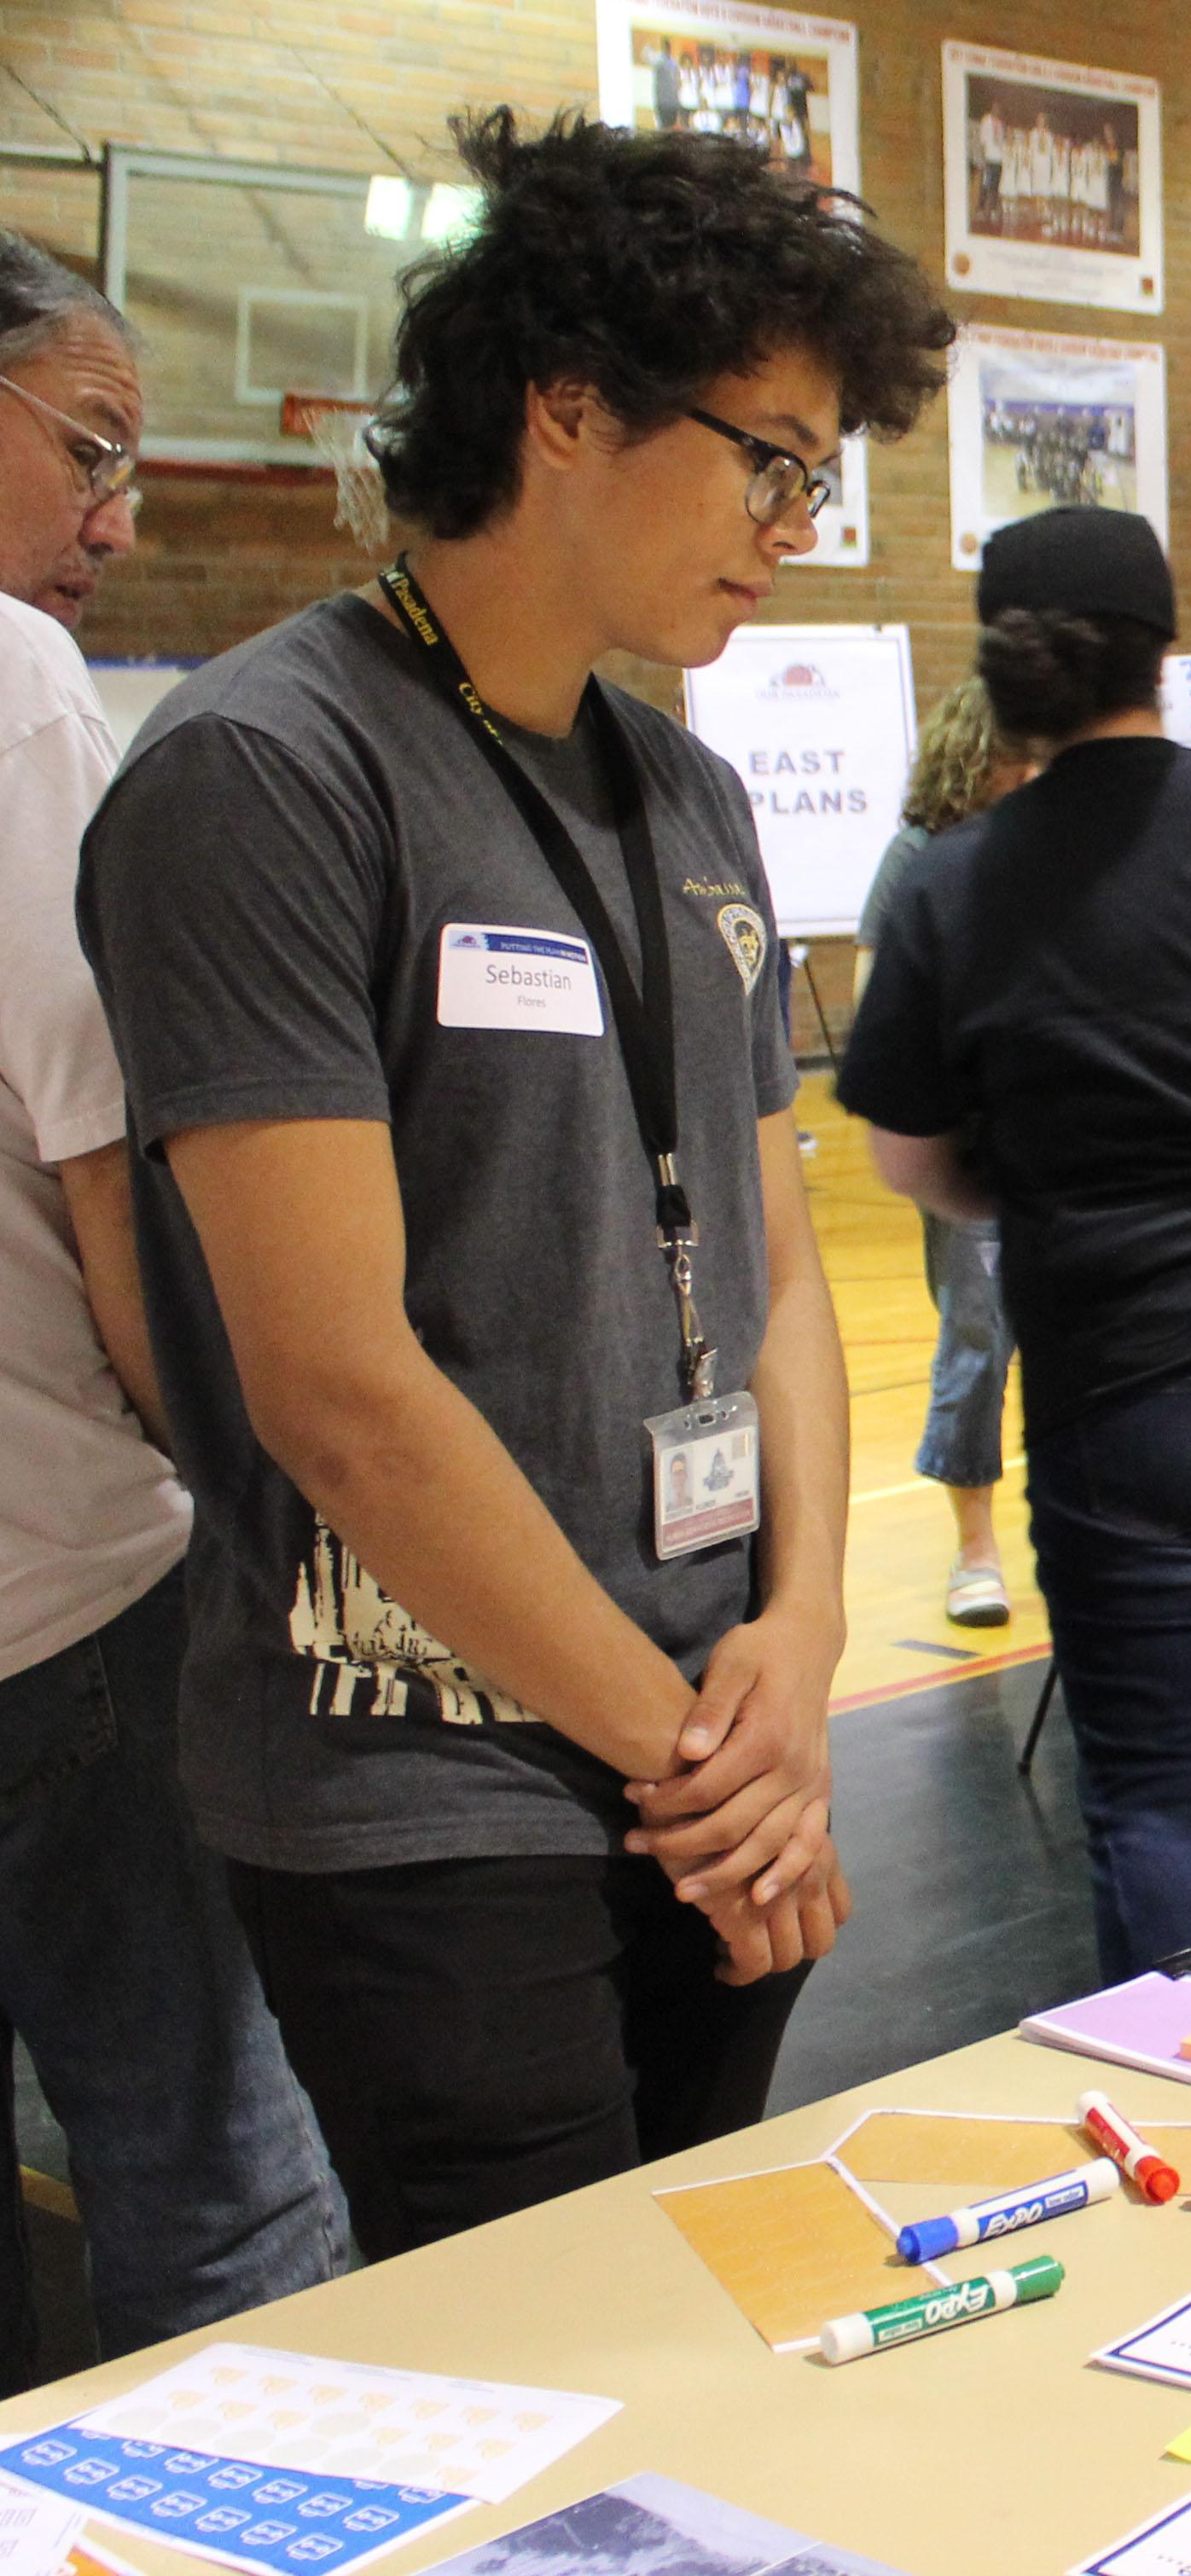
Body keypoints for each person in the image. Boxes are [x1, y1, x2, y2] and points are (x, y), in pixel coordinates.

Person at [73, 108, 952, 2256]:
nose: (792, 525)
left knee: (694, 2338)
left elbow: (770, 1271)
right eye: (769, 458)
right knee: (549, 2372)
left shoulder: (689, 785)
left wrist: (805, 1629)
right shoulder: (268, 776)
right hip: (422, 1771)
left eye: (817, 476)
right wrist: (695, 1761)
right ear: (568, 408)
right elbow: (334, 1388)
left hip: (705, 1728)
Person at [839, 507, 1191, 1981]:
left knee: (1163, 1798)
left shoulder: (956, 882)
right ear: (1167, 651)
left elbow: (914, 1160)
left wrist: (1042, 1175)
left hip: (1136, 1385)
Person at [0, 236, 344, 2389]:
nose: (118, 515)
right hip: (64, 1603)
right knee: (211, 2163)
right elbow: (118, 1174)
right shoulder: (24, 691)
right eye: (90, 450)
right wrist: (253, 1502)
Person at [855, 676, 1035, 1628]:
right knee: (977, 1329)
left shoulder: (1059, 849)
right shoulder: (919, 854)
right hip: (969, 1138)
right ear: (978, 751)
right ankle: (975, 1548)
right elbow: (879, 994)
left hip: (1065, 1129)